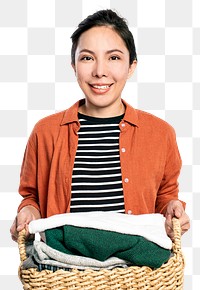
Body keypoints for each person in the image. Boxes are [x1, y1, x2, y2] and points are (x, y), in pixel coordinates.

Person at [10, 9, 190, 242]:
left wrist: (173, 210)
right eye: (87, 58)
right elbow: (32, 196)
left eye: (113, 58)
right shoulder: (45, 132)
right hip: (63, 266)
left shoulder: (160, 133)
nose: (100, 71)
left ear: (131, 66)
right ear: (74, 65)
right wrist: (27, 213)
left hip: (134, 269)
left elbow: (165, 197)